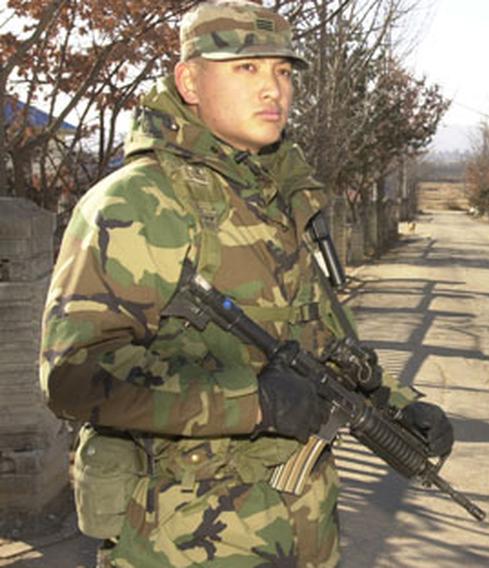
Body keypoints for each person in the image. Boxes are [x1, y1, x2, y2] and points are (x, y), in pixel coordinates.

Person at [39, 1, 453, 566]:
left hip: (301, 530)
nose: (273, 90)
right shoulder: (138, 202)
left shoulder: (278, 198)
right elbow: (74, 375)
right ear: (189, 80)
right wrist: (251, 401)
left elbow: (320, 347)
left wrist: (394, 403)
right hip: (184, 542)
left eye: (282, 71)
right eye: (246, 68)